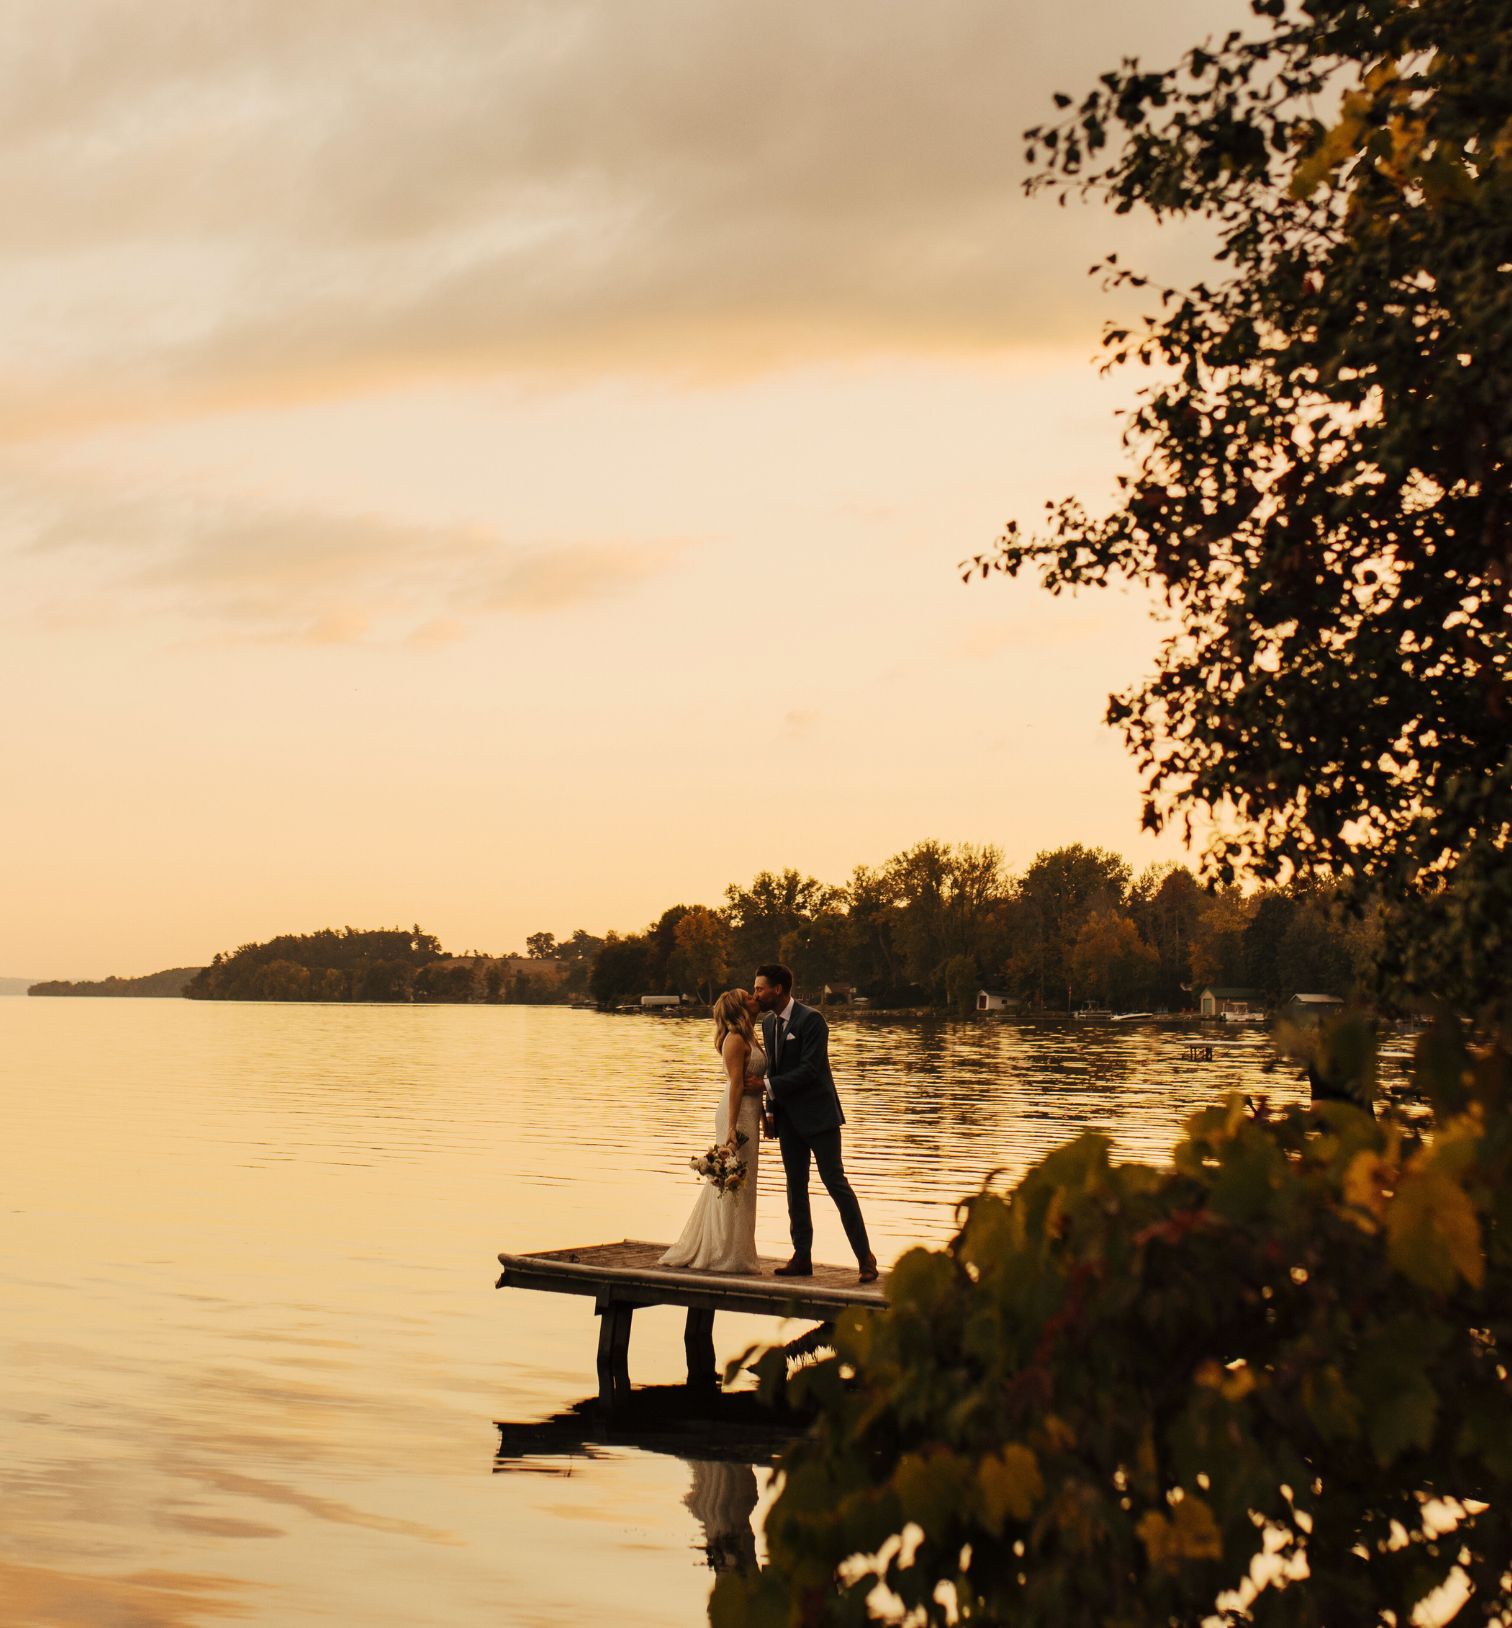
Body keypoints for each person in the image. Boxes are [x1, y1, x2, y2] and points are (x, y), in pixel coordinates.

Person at [753, 963, 878, 1285]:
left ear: (778, 989)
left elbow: (810, 1070)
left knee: (835, 1183)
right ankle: (801, 1257)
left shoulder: (812, 1021)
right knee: (795, 1188)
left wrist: (766, 1088)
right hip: (788, 1120)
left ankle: (866, 1259)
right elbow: (774, 1070)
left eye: (760, 989)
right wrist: (770, 1113)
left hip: (819, 1118)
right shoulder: (768, 1024)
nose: (756, 994)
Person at [659, 989, 767, 1273]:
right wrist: (731, 1129)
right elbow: (736, 1085)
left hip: (751, 1116)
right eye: (749, 997)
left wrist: (765, 1118)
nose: (755, 997)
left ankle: (738, 1249)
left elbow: (756, 1083)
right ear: (740, 1008)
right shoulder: (734, 1039)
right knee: (732, 1180)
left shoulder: (751, 1036)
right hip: (736, 1115)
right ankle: (724, 1252)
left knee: (745, 1182)